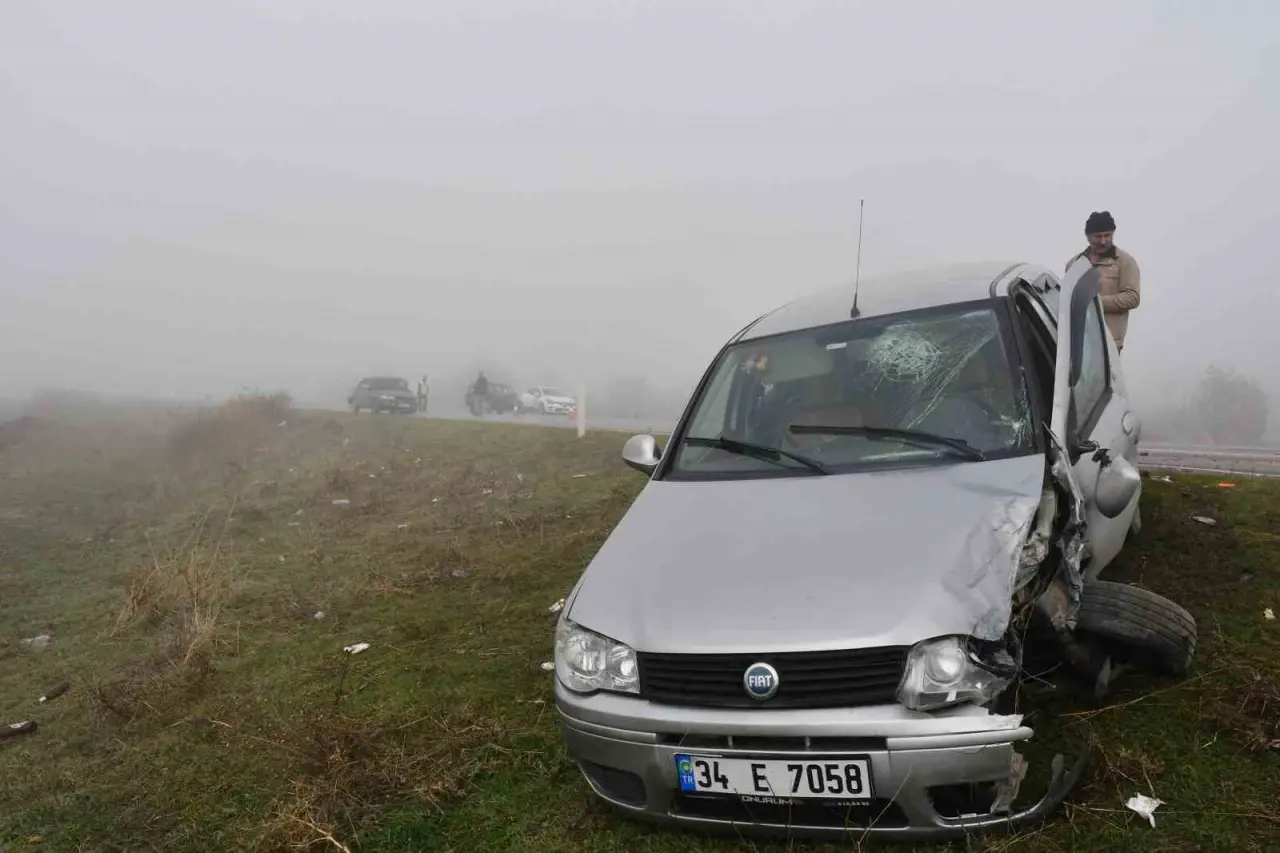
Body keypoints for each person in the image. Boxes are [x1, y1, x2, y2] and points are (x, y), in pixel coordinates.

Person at [1066, 211, 1141, 351]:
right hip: (1080, 341)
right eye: (1098, 236)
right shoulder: (1074, 264)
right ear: (1088, 237)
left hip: (1109, 344)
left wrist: (1095, 303)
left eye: (1107, 235)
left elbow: (1132, 298)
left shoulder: (1125, 262)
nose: (1103, 241)